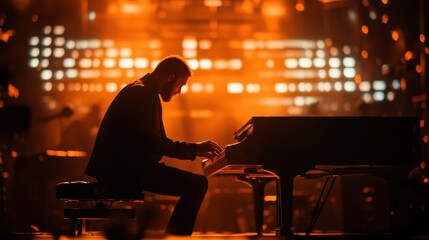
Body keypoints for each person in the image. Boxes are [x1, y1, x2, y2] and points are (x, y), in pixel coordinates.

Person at [85, 55, 223, 236]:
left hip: (128, 167)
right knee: (197, 185)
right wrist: (193, 149)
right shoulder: (141, 94)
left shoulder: (143, 91)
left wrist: (190, 149)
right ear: (170, 77)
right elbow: (151, 143)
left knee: (195, 184)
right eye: (181, 84)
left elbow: (151, 142)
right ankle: (176, 238)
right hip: (125, 171)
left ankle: (175, 236)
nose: (179, 91)